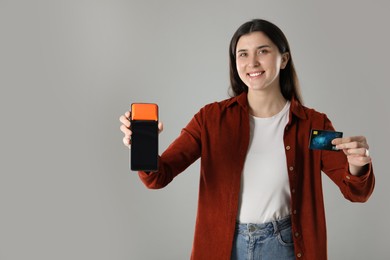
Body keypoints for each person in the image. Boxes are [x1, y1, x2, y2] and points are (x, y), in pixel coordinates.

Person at [119, 19, 375, 260]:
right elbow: (158, 176)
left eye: (263, 51)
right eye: (243, 54)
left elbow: (356, 191)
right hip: (224, 246)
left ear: (283, 59)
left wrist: (356, 165)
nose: (252, 62)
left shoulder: (313, 124)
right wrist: (143, 148)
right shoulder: (210, 118)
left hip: (286, 246)